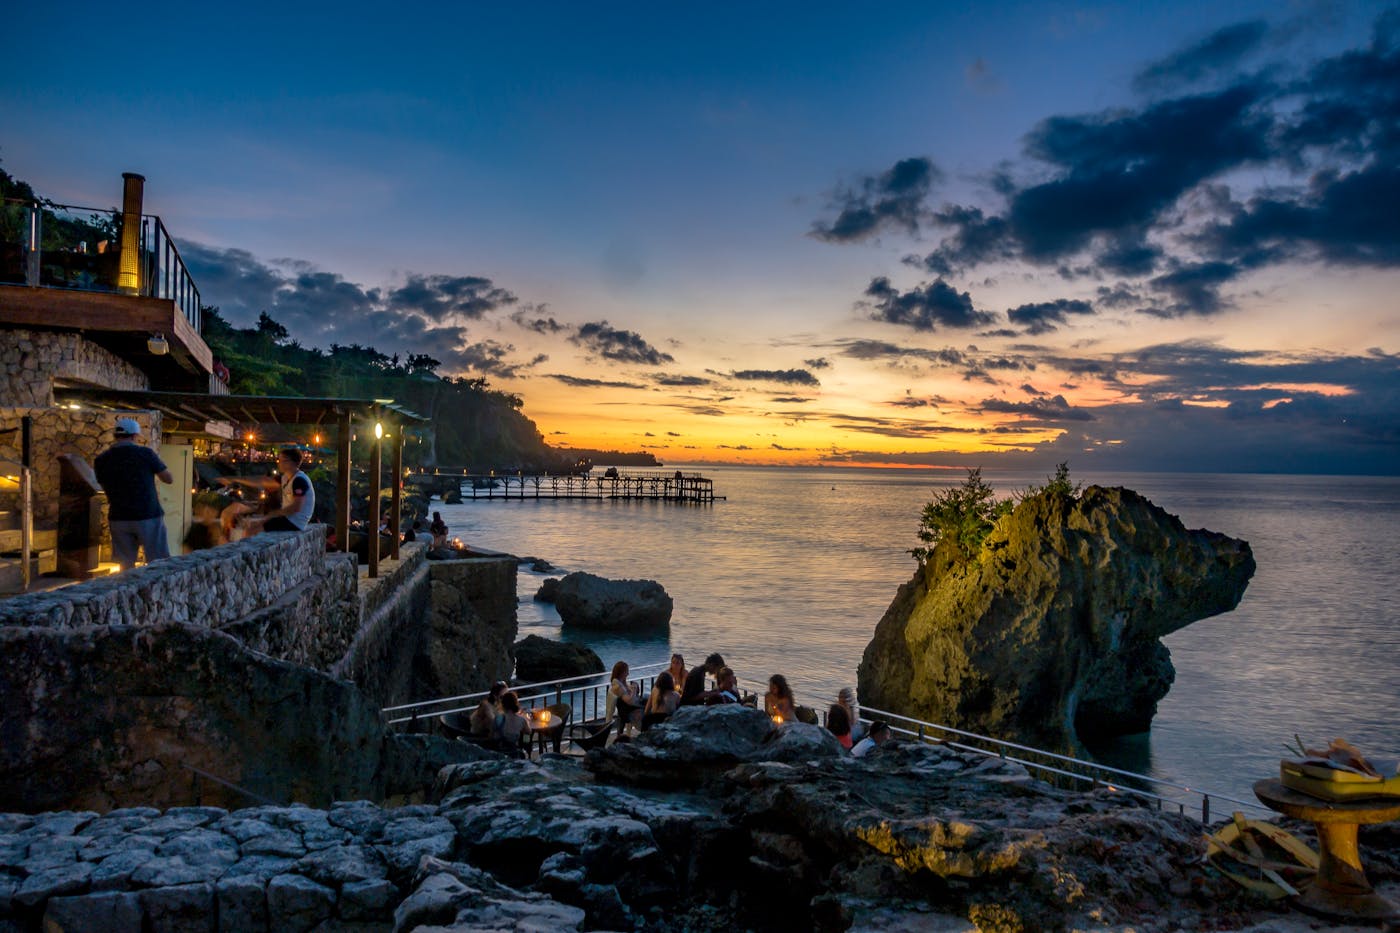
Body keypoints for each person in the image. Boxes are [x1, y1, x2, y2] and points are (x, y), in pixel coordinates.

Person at [93, 418, 172, 571]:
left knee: (125, 566)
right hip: (148, 514)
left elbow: (103, 485)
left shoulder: (101, 460)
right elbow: (168, 479)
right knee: (158, 563)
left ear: (116, 435)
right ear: (135, 435)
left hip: (118, 517)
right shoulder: (145, 453)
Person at [218, 447, 315, 533]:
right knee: (255, 524)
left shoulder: (299, 480)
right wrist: (235, 479)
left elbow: (296, 507)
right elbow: (262, 481)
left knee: (252, 529)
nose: (279, 463)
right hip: (289, 518)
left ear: (291, 463)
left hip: (295, 522)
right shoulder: (286, 478)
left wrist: (274, 514)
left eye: (282, 460)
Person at [606, 661, 644, 734]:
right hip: (626, 711)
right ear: (622, 672)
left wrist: (631, 688)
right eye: (627, 671)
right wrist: (634, 689)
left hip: (625, 708)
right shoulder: (617, 687)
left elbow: (626, 691)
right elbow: (629, 701)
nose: (628, 674)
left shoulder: (620, 682)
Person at [493, 690, 531, 756]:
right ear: (516, 704)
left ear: (503, 704)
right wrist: (526, 720)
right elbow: (528, 732)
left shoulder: (498, 718)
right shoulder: (522, 720)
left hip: (499, 753)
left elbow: (493, 737)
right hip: (513, 753)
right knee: (526, 737)